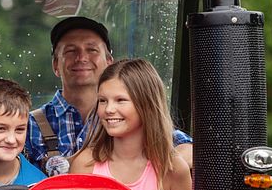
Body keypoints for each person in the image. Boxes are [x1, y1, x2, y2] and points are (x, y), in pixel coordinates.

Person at [25, 16, 193, 172]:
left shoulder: (126, 117)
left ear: (109, 62)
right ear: (55, 65)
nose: (81, 57)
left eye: (92, 50)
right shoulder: (30, 125)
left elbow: (191, 150)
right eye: (70, 51)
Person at [69, 59, 192, 190]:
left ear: (146, 104)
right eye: (102, 100)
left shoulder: (173, 170)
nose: (109, 109)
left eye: (120, 100)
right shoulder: (85, 164)